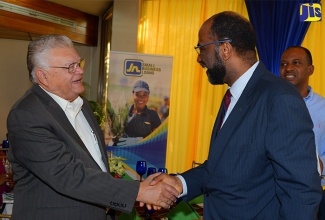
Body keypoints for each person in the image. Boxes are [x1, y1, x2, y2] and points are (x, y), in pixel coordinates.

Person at [150, 11, 322, 219]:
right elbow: (223, 165)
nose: (199, 58)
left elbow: (301, 191)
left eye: (202, 48)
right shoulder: (234, 96)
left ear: (225, 49)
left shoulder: (279, 99)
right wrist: (180, 183)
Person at [6, 34, 178, 220]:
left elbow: (94, 166)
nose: (79, 71)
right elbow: (66, 175)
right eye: (70, 67)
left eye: (79, 63)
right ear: (43, 76)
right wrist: (138, 192)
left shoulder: (83, 105)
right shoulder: (27, 114)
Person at [279, 46, 325, 219]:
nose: (288, 68)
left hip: (312, 197)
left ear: (310, 69)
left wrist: (321, 164)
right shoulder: (267, 104)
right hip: (272, 194)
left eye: (296, 63)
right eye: (284, 64)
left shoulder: (323, 109)